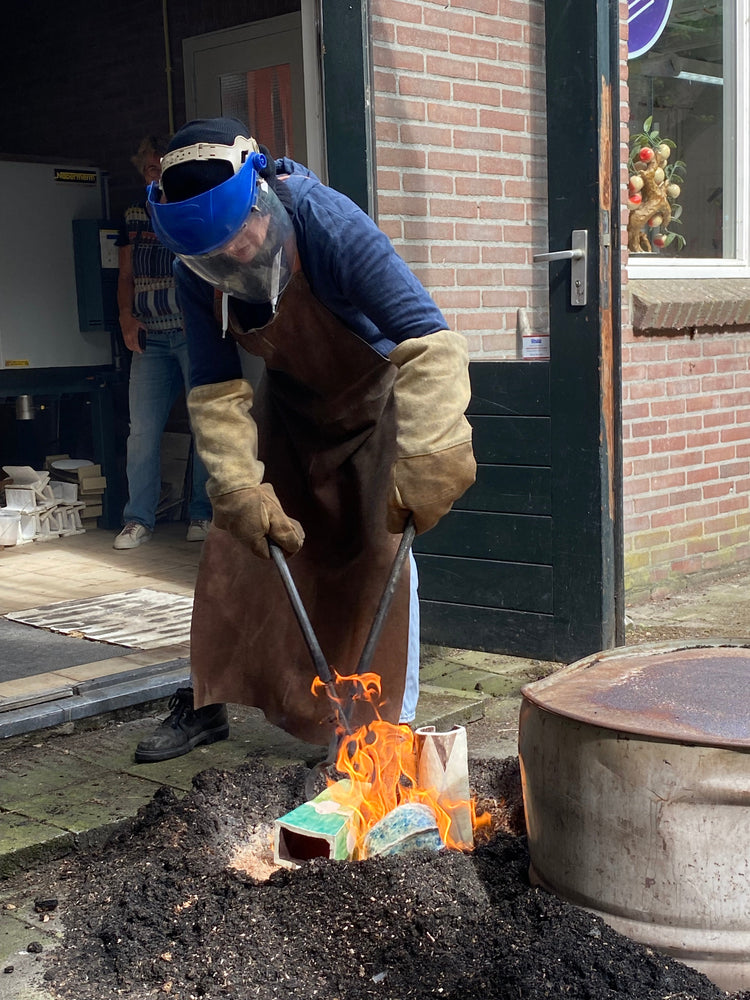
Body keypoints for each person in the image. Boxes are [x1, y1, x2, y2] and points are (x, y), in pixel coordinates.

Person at [133, 117, 476, 763]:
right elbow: (213, 386)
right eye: (212, 251)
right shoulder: (195, 270)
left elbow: (429, 341)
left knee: (379, 561)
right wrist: (236, 482)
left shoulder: (325, 220)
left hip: (375, 403)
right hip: (292, 407)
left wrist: (432, 451)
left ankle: (381, 735)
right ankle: (207, 705)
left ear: (261, 194)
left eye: (240, 235)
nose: (232, 254)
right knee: (236, 552)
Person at [114, 135, 212, 549]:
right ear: (144, 173)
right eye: (151, 169)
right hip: (149, 336)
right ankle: (138, 519)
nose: (157, 175)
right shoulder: (135, 215)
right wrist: (125, 317)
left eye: (163, 168)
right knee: (143, 432)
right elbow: (125, 275)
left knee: (206, 426)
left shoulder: (190, 207)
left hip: (191, 332)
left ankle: (203, 515)